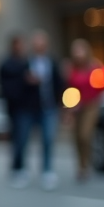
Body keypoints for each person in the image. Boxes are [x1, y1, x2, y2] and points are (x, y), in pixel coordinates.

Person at [24, 30, 66, 190]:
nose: (39, 47)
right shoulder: (26, 62)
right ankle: (23, 169)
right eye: (37, 44)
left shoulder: (53, 62)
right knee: (26, 139)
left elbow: (59, 83)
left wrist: (61, 104)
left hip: (49, 107)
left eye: (42, 44)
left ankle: (47, 170)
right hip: (30, 108)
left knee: (48, 139)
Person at [66, 39, 104, 182]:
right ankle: (81, 166)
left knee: (85, 135)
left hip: (91, 105)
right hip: (76, 107)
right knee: (76, 138)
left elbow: (102, 86)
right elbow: (68, 88)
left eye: (81, 50)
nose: (78, 54)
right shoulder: (71, 69)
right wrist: (69, 108)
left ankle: (86, 165)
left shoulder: (95, 67)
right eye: (76, 51)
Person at [0, 34, 33, 188]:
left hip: (26, 107)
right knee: (18, 139)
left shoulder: (27, 62)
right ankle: (17, 167)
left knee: (22, 139)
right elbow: (4, 88)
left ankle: (18, 166)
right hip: (14, 108)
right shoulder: (7, 64)